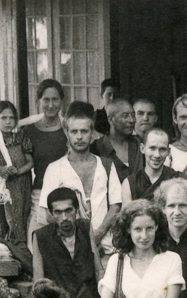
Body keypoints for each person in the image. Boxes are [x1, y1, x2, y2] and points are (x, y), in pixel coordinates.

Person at [36, 101, 122, 259]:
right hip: (69, 252)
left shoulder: (107, 165)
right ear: (67, 134)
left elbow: (115, 206)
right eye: (74, 132)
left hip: (107, 250)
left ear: (93, 134)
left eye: (84, 131)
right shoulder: (55, 168)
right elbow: (46, 214)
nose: (79, 136)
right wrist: (77, 239)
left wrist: (97, 235)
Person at [30, 188, 103, 298]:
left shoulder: (85, 227)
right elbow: (39, 284)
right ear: (51, 214)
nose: (64, 218)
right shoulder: (41, 236)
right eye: (58, 212)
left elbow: (98, 270)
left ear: (77, 210)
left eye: (69, 210)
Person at [0, 101, 34, 271]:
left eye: (11, 118)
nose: (8, 122)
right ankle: (9, 260)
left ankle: (23, 260)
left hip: (21, 185)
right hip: (3, 188)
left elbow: (30, 162)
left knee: (21, 220)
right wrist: (0, 169)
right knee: (6, 222)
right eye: (3, 118)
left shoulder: (21, 137)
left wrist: (19, 171)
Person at [21, 80, 68, 237]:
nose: (50, 105)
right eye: (46, 100)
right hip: (39, 196)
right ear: (38, 101)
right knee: (35, 242)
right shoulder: (29, 131)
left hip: (67, 194)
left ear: (62, 101)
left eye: (55, 99)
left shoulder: (69, 130)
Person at [123, 128, 182, 202]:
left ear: (168, 151)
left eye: (162, 149)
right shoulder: (131, 183)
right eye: (152, 148)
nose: (157, 155)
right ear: (142, 148)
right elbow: (127, 212)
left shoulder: (178, 179)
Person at [92, 98, 143, 181]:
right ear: (111, 120)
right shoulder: (96, 148)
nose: (131, 120)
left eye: (133, 115)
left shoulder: (140, 144)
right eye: (125, 116)